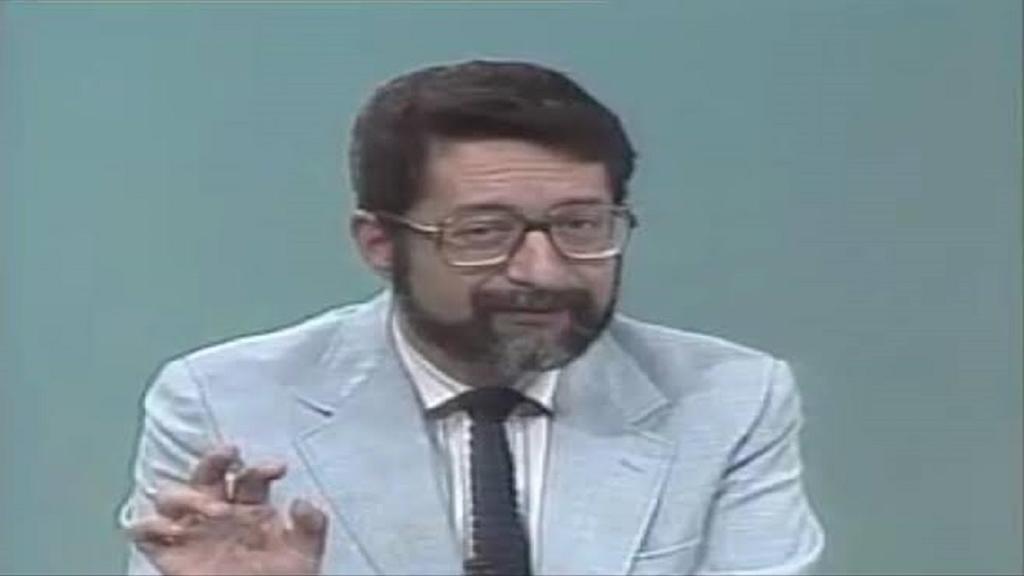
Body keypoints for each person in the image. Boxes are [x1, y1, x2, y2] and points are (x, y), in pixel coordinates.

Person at [118, 59, 824, 576]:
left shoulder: (730, 399)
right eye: (484, 233)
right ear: (379, 243)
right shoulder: (224, 403)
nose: (543, 271)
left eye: (581, 225)